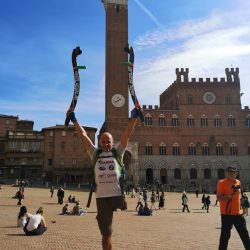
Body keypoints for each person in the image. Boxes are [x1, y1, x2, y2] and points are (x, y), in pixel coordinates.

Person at [66, 105, 140, 250]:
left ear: (112, 143)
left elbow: (126, 135)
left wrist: (134, 118)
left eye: (108, 141)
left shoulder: (118, 153)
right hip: (102, 199)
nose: (106, 143)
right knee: (106, 233)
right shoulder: (95, 154)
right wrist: (73, 119)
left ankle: (119, 206)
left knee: (120, 209)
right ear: (100, 142)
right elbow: (83, 136)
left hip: (117, 196)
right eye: (103, 141)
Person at [217, 166, 250, 250]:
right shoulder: (221, 183)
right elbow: (219, 198)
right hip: (226, 214)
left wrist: (241, 207)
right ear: (226, 173)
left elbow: (239, 197)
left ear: (236, 173)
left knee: (245, 235)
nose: (231, 174)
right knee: (225, 237)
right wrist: (231, 195)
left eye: (233, 172)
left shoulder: (238, 182)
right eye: (229, 172)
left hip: (238, 214)